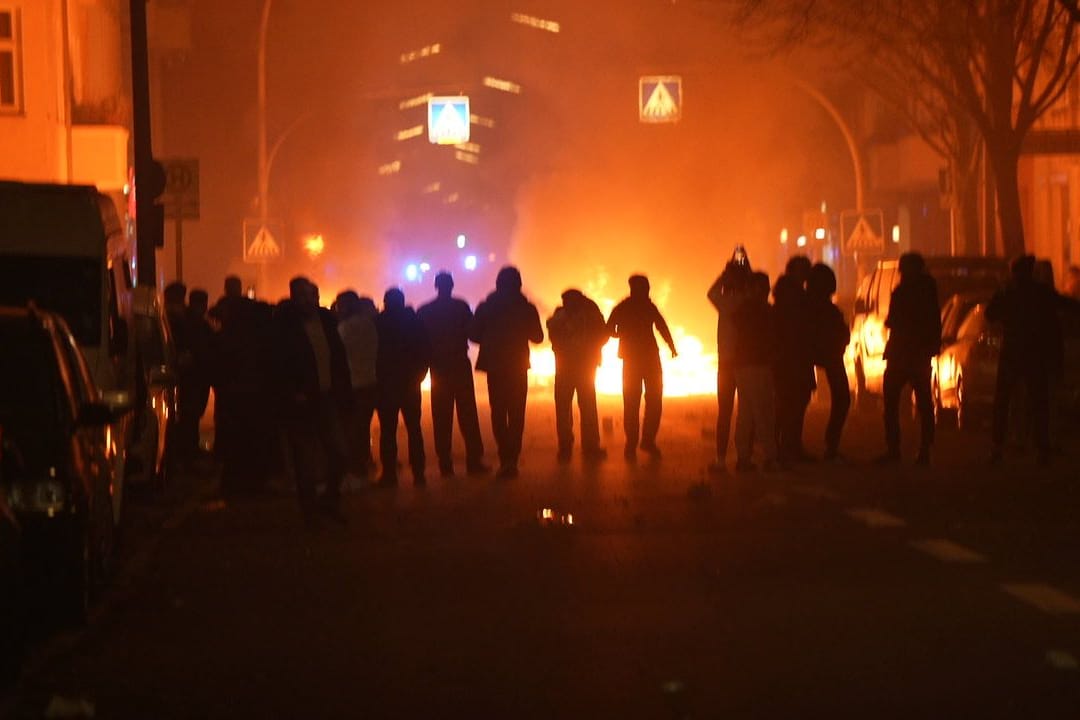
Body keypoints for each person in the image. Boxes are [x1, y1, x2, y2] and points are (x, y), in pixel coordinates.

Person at [273, 277, 351, 525]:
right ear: (294, 298)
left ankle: (329, 500)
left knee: (339, 453)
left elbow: (338, 358)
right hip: (302, 402)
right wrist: (292, 392)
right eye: (303, 296)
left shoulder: (326, 322)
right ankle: (311, 511)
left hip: (327, 397)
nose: (309, 300)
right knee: (305, 460)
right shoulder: (285, 326)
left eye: (312, 295)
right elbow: (277, 363)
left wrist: (343, 391)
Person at [985, 255, 1066, 465]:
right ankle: (1042, 448)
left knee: (1003, 401)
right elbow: (1062, 305)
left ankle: (997, 447)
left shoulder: (1009, 293)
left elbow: (990, 314)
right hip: (1034, 353)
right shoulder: (1040, 293)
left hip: (1013, 352)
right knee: (1039, 401)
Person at [470, 266, 544, 479]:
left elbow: (473, 334)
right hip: (517, 365)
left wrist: (492, 338)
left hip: (495, 366)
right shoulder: (526, 308)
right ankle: (512, 458)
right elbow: (538, 337)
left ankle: (505, 457)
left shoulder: (486, 307)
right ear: (519, 284)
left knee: (499, 411)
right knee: (517, 412)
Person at [208, 275, 275, 494]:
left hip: (233, 389)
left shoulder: (225, 328)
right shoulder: (257, 331)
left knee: (233, 432)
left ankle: (234, 477)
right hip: (251, 389)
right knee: (250, 433)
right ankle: (251, 478)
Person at [417, 272, 488, 477]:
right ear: (452, 285)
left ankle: (445, 463)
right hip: (459, 363)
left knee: (441, 415)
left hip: (438, 366)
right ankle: (474, 460)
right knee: (468, 413)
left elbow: (420, 340)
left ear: (436, 286)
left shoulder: (425, 310)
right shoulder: (461, 307)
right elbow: (474, 333)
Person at [607, 274, 678, 460]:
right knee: (651, 401)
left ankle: (634, 444)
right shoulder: (645, 306)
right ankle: (644, 441)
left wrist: (620, 334)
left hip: (635, 360)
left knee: (633, 403)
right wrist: (671, 346)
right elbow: (662, 327)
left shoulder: (624, 307)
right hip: (647, 359)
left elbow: (607, 330)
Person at [880, 252, 940, 465]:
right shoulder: (929, 292)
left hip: (901, 354)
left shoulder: (902, 292)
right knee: (924, 403)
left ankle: (894, 450)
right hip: (919, 354)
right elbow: (934, 321)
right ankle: (925, 449)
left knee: (892, 403)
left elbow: (893, 321)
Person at [375, 287, 430, 486]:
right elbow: (425, 349)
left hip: (386, 383)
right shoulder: (414, 322)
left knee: (388, 431)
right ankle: (419, 473)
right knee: (414, 429)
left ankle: (389, 474)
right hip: (410, 383)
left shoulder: (379, 323)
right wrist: (420, 375)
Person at [547, 289, 609, 463]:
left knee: (564, 406)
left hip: (568, 366)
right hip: (584, 366)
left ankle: (566, 446)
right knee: (587, 406)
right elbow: (604, 334)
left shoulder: (562, 315)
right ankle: (589, 446)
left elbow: (552, 334)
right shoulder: (590, 312)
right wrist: (592, 348)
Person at [707, 246, 752, 472]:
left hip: (728, 364)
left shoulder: (725, 302)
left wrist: (726, 274)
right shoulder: (748, 300)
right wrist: (744, 269)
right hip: (745, 363)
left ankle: (721, 459)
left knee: (725, 412)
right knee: (746, 411)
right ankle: (744, 458)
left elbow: (711, 292)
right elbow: (754, 287)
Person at [733, 271, 779, 472]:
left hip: (743, 366)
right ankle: (770, 457)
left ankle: (744, 458)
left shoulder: (742, 310)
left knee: (746, 413)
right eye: (763, 286)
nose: (766, 289)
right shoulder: (761, 311)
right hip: (757, 366)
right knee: (763, 413)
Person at [772, 255, 816, 464]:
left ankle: (788, 447)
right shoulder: (793, 296)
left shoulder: (791, 295)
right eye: (803, 270)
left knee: (792, 405)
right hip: (790, 359)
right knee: (791, 405)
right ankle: (784, 448)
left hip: (795, 358)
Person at [806, 263, 850, 461]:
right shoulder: (821, 309)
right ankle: (830, 445)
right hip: (827, 354)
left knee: (841, 399)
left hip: (828, 355)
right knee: (840, 399)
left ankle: (830, 445)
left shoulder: (816, 307)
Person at [335, 291, 378, 478]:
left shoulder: (345, 328)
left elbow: (338, 354)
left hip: (352, 384)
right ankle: (364, 461)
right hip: (370, 381)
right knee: (362, 426)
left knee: (351, 428)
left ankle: (355, 468)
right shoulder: (370, 325)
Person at [177, 288, 213, 468]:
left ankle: (190, 449)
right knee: (191, 414)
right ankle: (189, 452)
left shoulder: (189, 321)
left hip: (195, 376)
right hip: (195, 377)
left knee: (191, 415)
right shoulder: (195, 324)